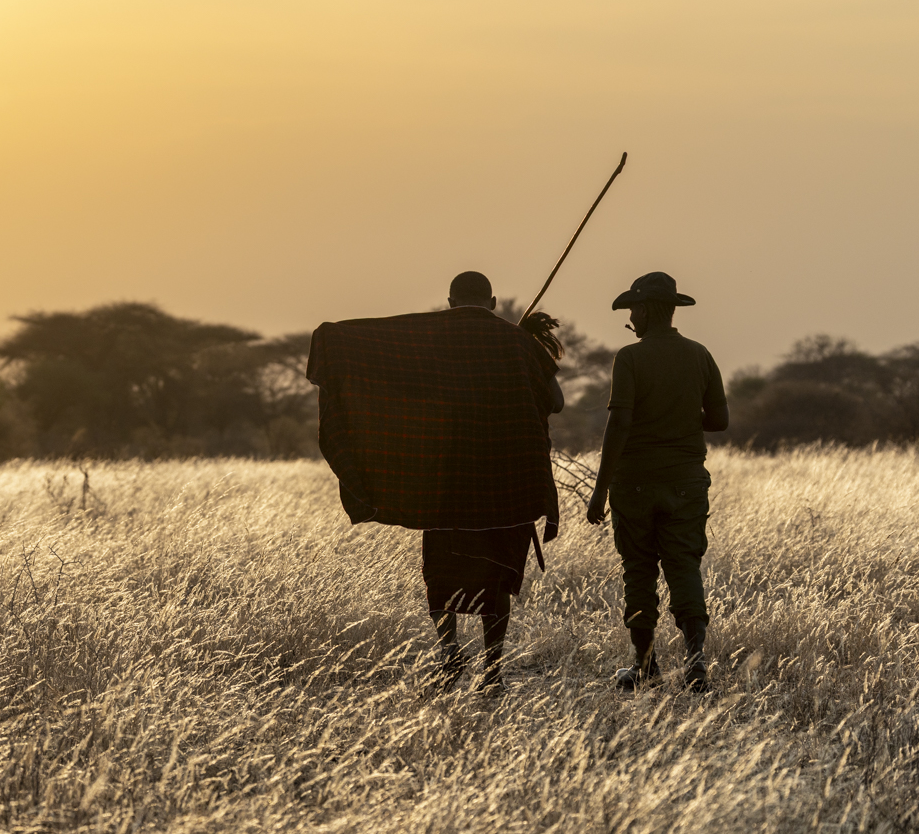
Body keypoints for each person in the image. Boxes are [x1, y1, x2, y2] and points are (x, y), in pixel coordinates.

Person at [306, 271, 564, 691]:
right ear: (493, 302)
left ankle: (449, 658)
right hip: (505, 485)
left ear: (449, 301)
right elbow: (555, 401)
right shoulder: (518, 343)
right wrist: (518, 365)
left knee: (442, 573)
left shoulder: (429, 339)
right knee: (496, 576)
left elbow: (373, 353)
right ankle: (493, 671)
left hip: (446, 481)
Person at [586, 271, 728, 693]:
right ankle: (696, 663)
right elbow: (719, 421)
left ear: (645, 310)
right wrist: (682, 419)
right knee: (685, 566)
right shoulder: (700, 355)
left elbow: (620, 422)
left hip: (633, 485)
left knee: (639, 571)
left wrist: (599, 489)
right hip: (686, 482)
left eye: (633, 310)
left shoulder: (629, 359)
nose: (632, 318)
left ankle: (645, 666)